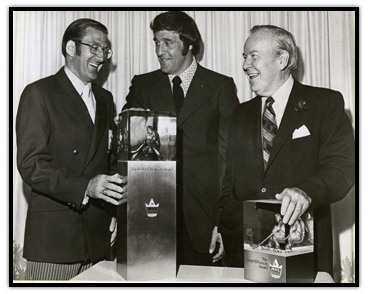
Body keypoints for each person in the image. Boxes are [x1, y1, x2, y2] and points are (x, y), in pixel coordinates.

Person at [218, 25, 355, 275]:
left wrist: (307, 192)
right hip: (244, 252)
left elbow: (343, 170)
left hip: (303, 251)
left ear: (282, 59)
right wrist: (222, 227)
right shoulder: (239, 113)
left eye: (253, 56)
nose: (245, 64)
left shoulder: (325, 103)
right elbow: (229, 180)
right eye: (244, 57)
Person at [123, 11, 239, 266]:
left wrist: (223, 223)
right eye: (156, 42)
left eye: (168, 42)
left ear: (189, 44)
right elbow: (127, 143)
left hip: (204, 224)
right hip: (150, 218)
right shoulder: (143, 85)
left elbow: (230, 160)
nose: (159, 50)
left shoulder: (220, 87)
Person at [16, 18, 127, 280]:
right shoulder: (39, 93)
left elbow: (107, 161)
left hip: (99, 238)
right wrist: (86, 186)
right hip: (54, 242)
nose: (101, 57)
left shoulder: (105, 98)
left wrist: (112, 211)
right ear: (70, 48)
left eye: (105, 50)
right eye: (94, 48)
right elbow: (32, 165)